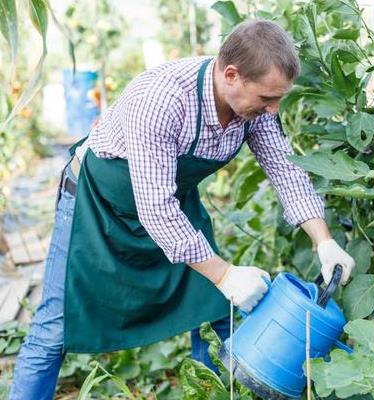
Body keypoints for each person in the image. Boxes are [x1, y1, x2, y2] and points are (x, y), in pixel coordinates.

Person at [9, 19, 355, 400]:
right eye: (267, 99)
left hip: (172, 204)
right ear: (231, 75)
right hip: (96, 207)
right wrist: (225, 275)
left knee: (214, 309)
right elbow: (155, 210)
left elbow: (285, 170)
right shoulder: (161, 100)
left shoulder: (252, 111)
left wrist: (323, 241)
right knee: (56, 328)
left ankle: (209, 392)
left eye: (279, 99)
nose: (274, 111)